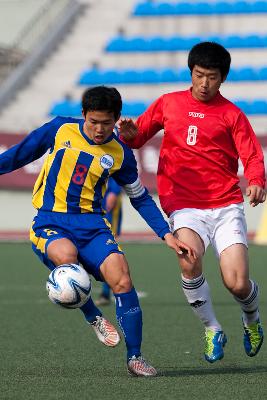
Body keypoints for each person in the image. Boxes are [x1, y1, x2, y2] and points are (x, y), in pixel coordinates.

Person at [0, 85, 195, 377]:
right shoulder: (60, 129)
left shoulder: (121, 154)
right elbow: (19, 155)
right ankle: (94, 316)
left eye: (106, 123)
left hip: (92, 226)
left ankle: (135, 357)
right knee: (66, 259)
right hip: (51, 222)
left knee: (122, 277)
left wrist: (167, 234)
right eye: (93, 122)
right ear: (83, 115)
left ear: (116, 119)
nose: (99, 129)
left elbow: (140, 197)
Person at [118, 42, 266, 363]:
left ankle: (252, 319)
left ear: (222, 78)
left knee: (237, 283)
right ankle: (212, 328)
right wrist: (129, 133)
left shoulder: (232, 115)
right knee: (188, 260)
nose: (204, 83)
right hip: (184, 204)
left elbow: (252, 155)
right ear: (191, 73)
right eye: (199, 75)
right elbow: (137, 136)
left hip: (226, 206)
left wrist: (256, 181)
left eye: (211, 77)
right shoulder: (168, 103)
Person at [96, 176, 123, 306]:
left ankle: (105, 293)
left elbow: (112, 195)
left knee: (107, 252)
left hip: (106, 212)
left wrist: (114, 190)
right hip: (89, 209)